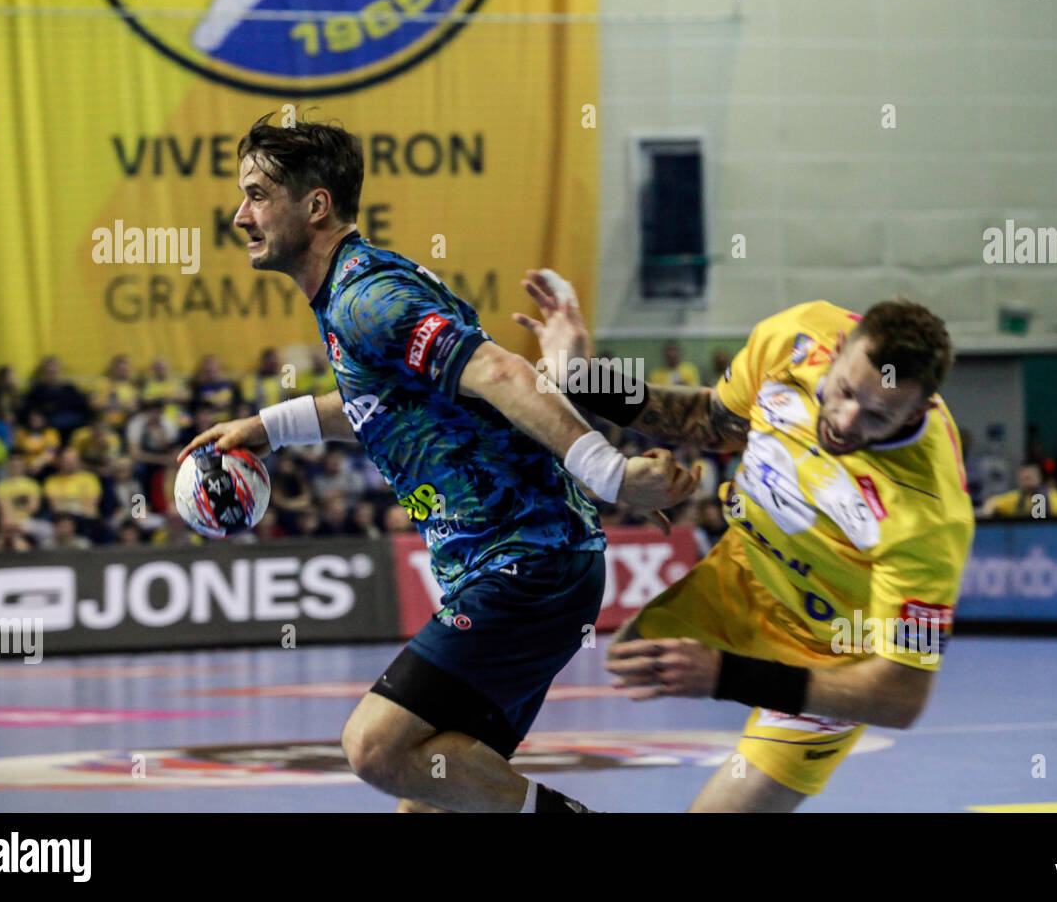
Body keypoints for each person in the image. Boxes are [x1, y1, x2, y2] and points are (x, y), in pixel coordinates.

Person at [176, 115, 698, 814]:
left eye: (258, 194)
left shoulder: (367, 299)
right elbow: (379, 399)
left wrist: (613, 475)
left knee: (376, 746)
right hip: (526, 565)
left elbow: (503, 372)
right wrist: (271, 428)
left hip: (526, 565)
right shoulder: (352, 292)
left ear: (316, 204)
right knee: (432, 801)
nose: (241, 215)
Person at [517, 270, 973, 812]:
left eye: (878, 416)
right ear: (841, 347)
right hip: (743, 575)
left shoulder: (929, 517)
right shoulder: (796, 337)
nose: (847, 421)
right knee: (632, 656)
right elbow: (712, 421)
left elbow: (901, 698)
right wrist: (588, 379)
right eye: (846, 391)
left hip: (833, 655)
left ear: (919, 411)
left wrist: (724, 677)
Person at [980, 463, 1057, 519]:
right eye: (1022, 479)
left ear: (1039, 478)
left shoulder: (1051, 496)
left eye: (1028, 478)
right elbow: (992, 502)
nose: (1025, 482)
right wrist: (987, 512)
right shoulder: (1016, 497)